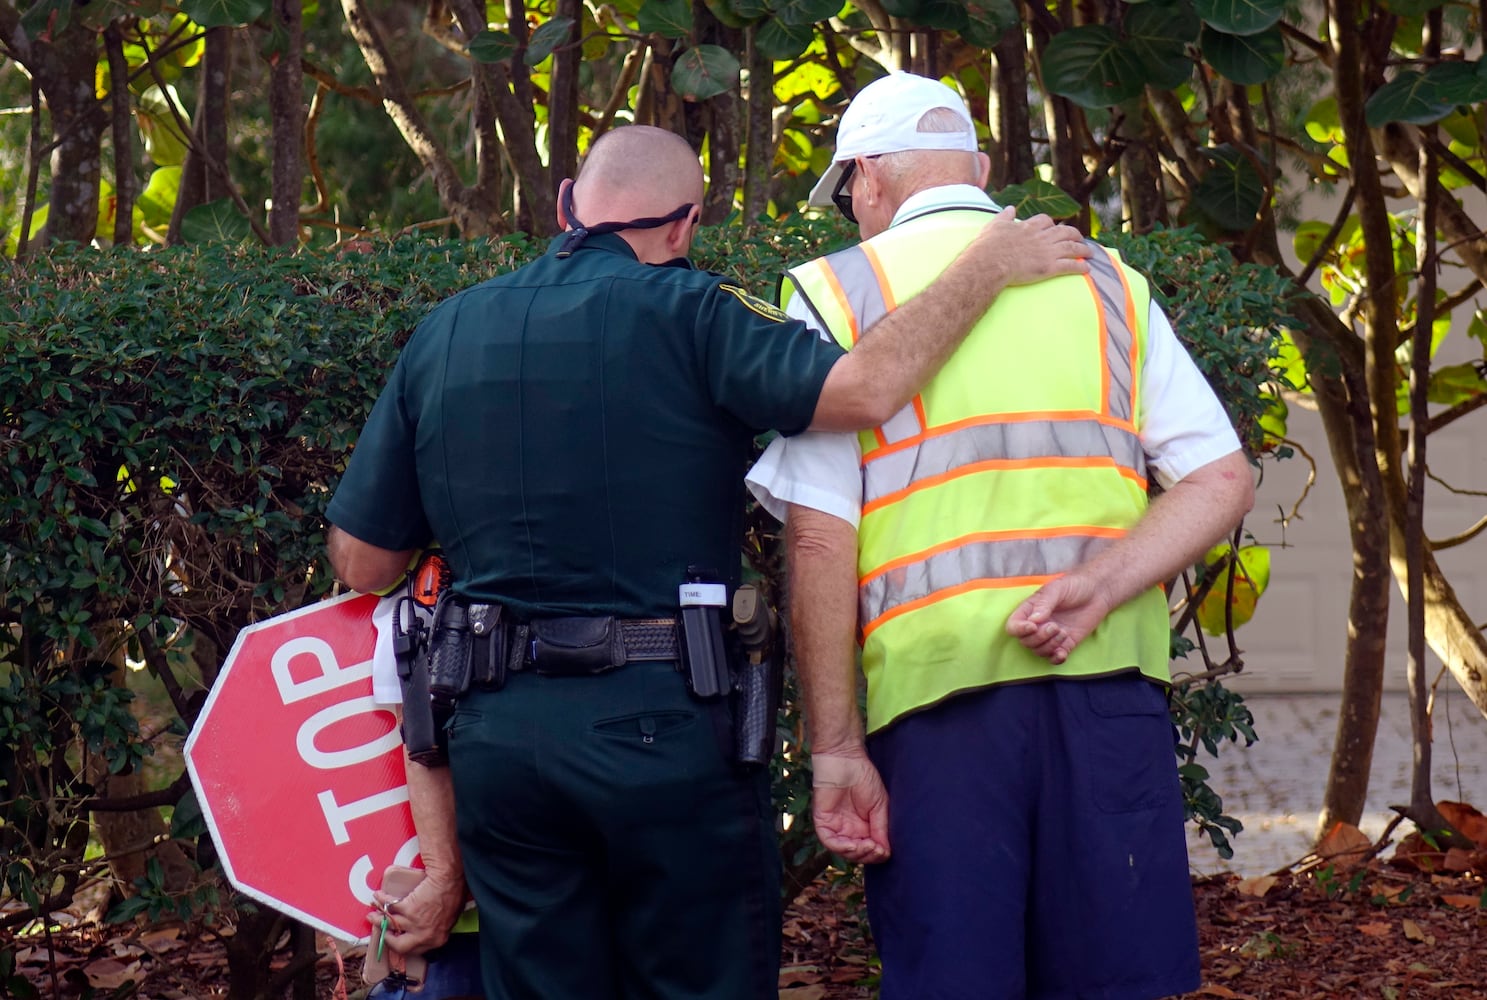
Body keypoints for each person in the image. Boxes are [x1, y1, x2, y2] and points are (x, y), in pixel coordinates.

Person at [323, 124, 1093, 1000]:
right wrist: (987, 266)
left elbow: (362, 561)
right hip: (664, 729)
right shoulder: (699, 312)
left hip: (500, 743)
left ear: (569, 199)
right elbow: (863, 390)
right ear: (684, 226)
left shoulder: (447, 332)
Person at [746, 73, 1255, 1000]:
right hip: (1107, 685)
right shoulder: (1108, 283)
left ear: (865, 178)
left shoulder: (831, 293)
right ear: (979, 168)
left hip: (935, 702)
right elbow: (1223, 476)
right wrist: (1102, 585)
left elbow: (821, 542)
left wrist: (834, 746)